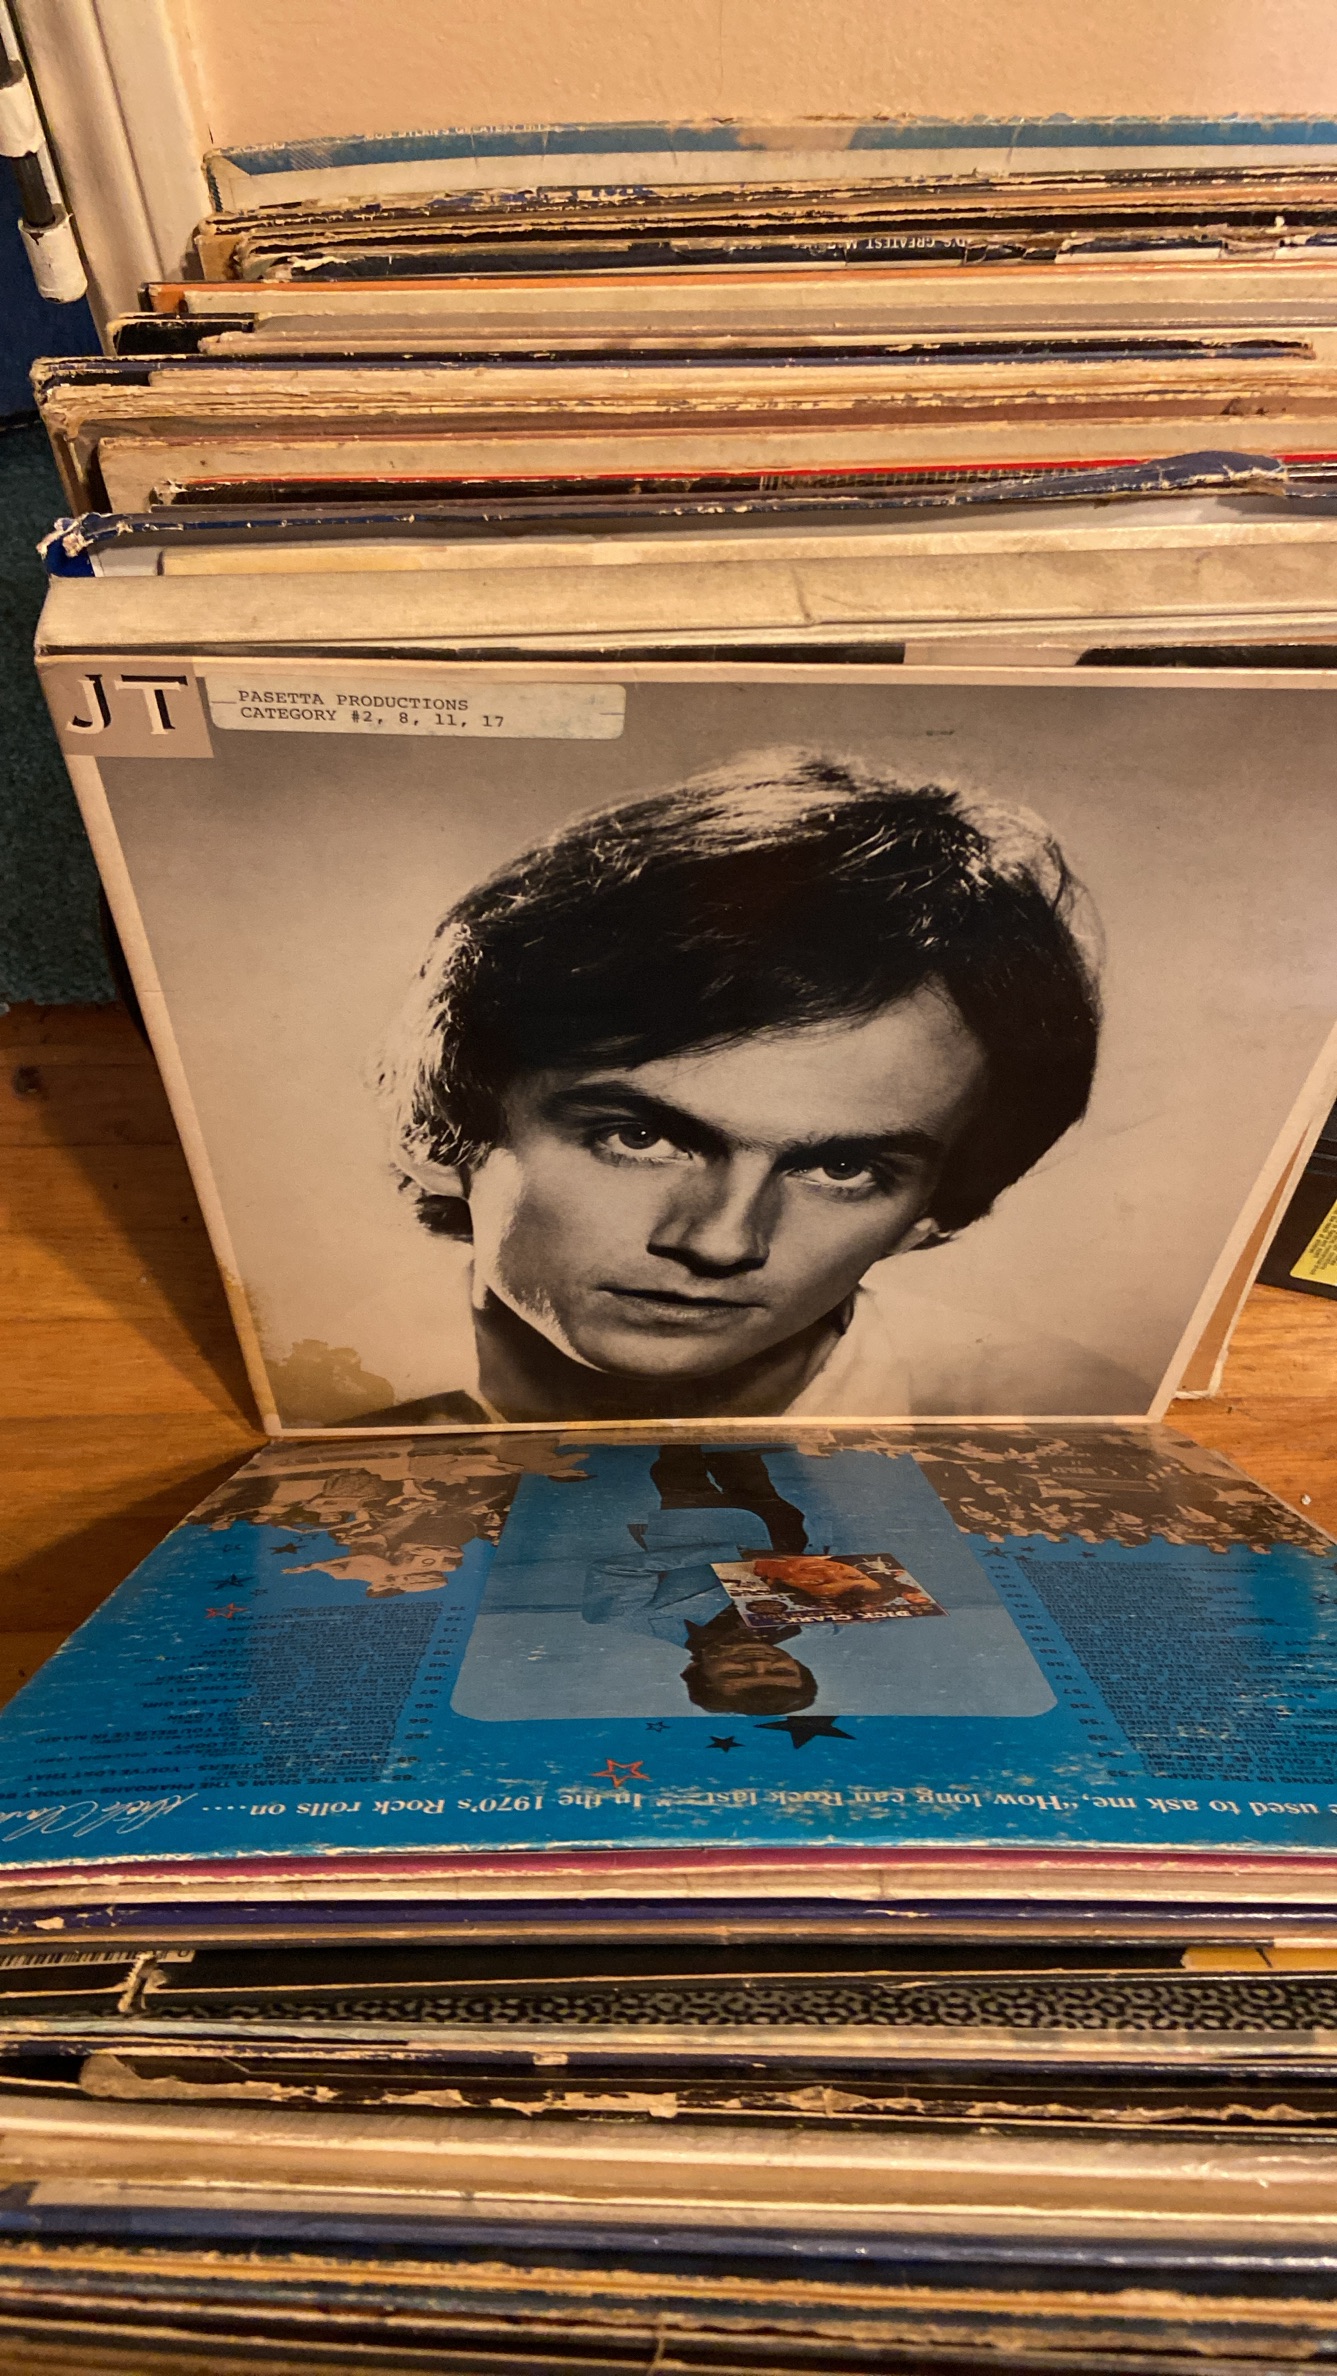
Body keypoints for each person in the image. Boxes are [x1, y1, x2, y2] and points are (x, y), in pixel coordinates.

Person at [371, 748, 1132, 1423]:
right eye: (640, 1137)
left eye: (841, 1169)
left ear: (924, 1219)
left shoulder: (1066, 1421)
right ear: (436, 1132)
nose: (721, 1243)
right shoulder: (332, 1392)